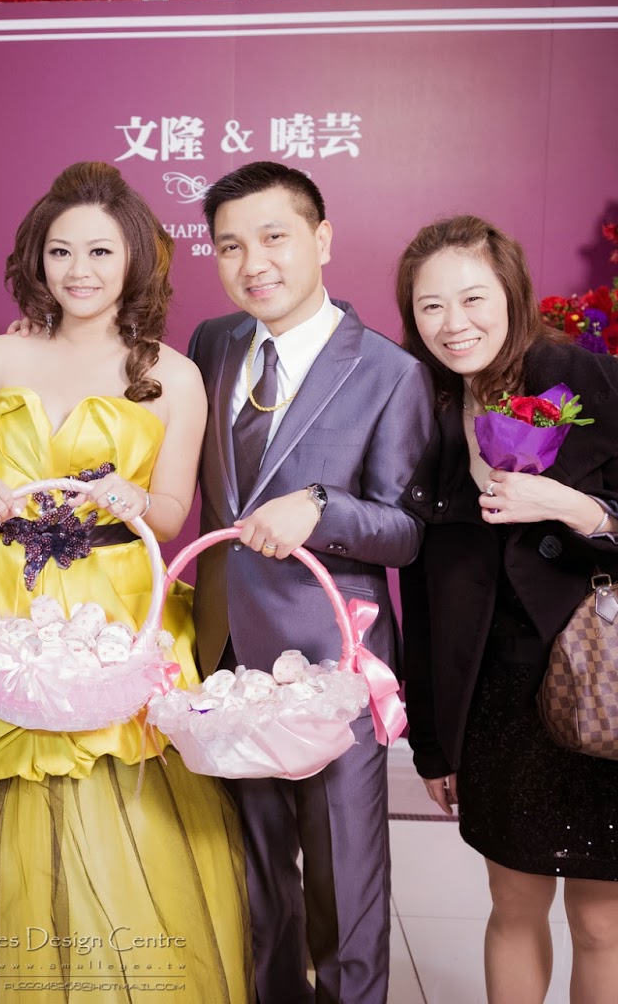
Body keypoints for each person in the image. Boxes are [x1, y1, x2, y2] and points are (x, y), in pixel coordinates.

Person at [0, 162, 251, 1002]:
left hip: (114, 600)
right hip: (3, 593)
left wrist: (136, 500)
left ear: (135, 259)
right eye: (61, 251)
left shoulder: (173, 375)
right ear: (37, 258)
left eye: (100, 251)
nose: (79, 270)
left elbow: (173, 511)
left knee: (108, 782)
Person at [395, 215, 618, 1004]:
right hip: (499, 699)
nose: (454, 324)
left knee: (600, 920)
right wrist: (433, 741)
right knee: (513, 905)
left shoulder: (587, 379)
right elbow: (422, 598)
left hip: (614, 684)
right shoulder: (422, 408)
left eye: (473, 298)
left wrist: (570, 505)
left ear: (512, 294)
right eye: (431, 306)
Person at [186, 161, 435, 1004]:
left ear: (322, 240)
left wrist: (322, 507)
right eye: (230, 246)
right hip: (226, 652)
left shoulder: (391, 373)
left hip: (332, 661)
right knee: (255, 883)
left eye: (274, 238)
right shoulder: (214, 343)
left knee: (343, 884)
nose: (252, 263)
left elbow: (407, 532)